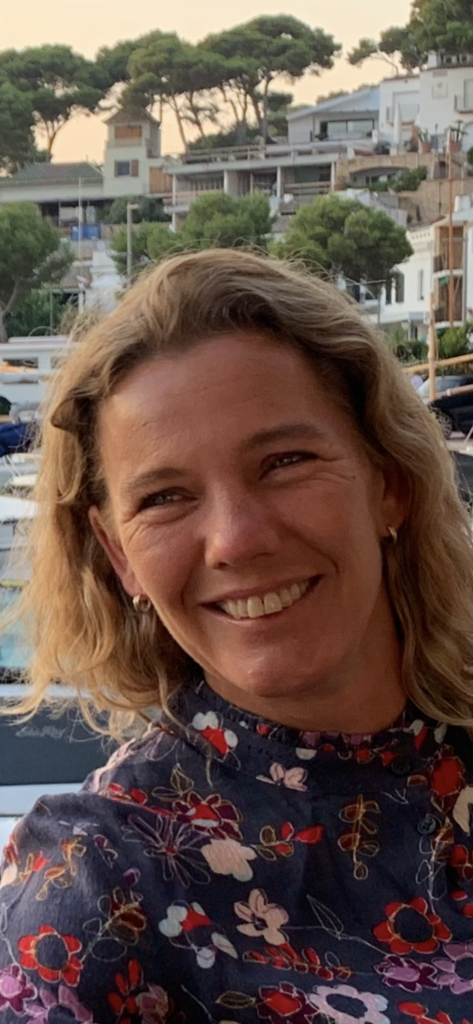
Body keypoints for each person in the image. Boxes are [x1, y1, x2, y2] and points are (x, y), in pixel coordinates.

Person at [0, 249, 472, 1024]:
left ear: (388, 483)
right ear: (119, 555)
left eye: (283, 462)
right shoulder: (96, 891)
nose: (236, 540)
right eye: (164, 497)